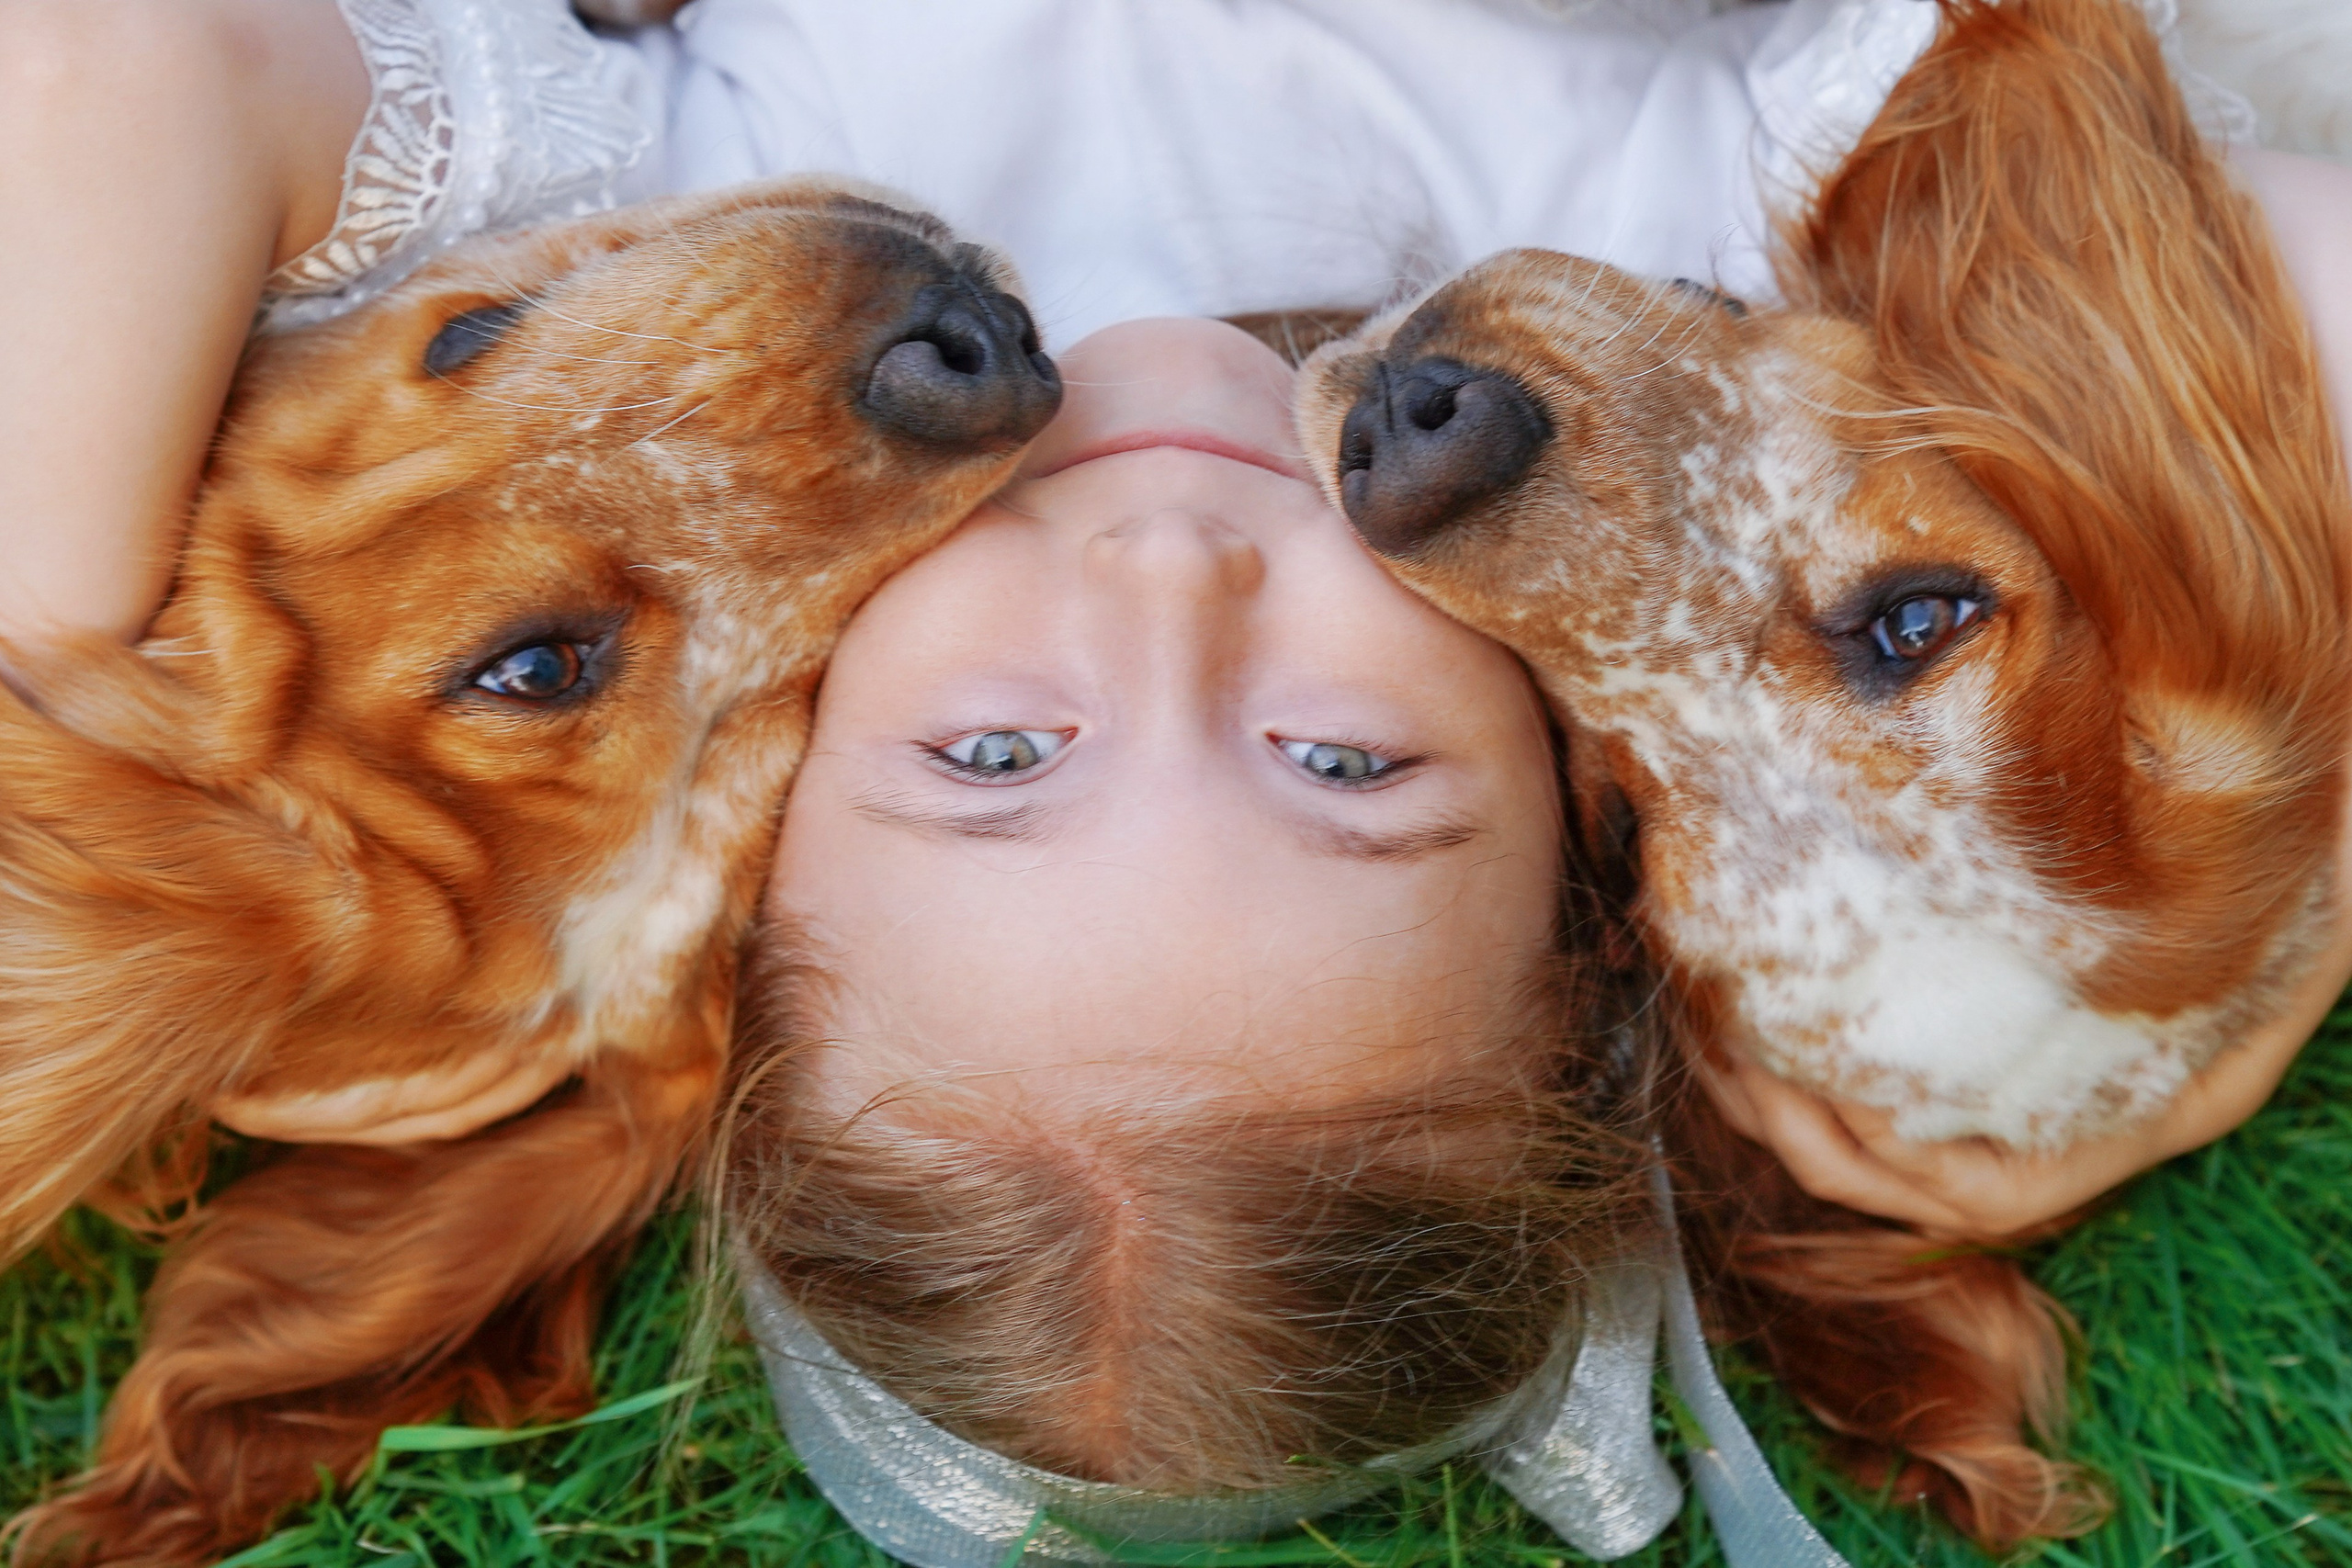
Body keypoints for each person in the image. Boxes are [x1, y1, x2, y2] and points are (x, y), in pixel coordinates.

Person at [4, 0, 2349, 1543]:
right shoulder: (1654, 318)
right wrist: (2194, 962)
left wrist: (62, 660)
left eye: (998, 752)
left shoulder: (674, 268)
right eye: (1339, 761)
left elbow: (133, 53)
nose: (1159, 578)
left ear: (752, 818)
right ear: (1585, 827)